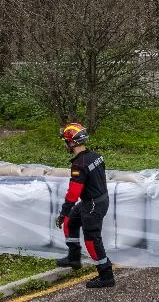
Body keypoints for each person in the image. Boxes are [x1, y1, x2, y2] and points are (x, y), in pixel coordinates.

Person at [55, 123, 115, 288]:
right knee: (71, 222)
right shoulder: (96, 156)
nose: (65, 144)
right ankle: (74, 258)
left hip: (93, 205)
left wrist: (63, 212)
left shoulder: (79, 165)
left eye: (66, 141)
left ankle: (106, 275)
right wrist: (67, 215)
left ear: (72, 142)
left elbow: (73, 193)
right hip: (95, 200)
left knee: (92, 240)